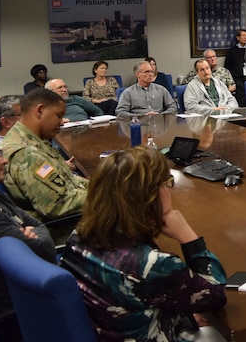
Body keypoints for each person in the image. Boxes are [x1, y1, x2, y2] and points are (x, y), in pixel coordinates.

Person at [60, 146, 228, 342]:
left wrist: (181, 311)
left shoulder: (77, 236)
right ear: (148, 196)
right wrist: (188, 237)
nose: (169, 189)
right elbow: (215, 297)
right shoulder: (154, 265)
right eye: (167, 183)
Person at [1, 89, 88, 243]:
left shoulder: (32, 140)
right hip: (64, 231)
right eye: (59, 115)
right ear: (40, 110)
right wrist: (106, 195)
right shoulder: (26, 154)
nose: (62, 122)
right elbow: (57, 206)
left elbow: (68, 180)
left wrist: (100, 185)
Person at [0, 143, 55, 342]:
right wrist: (37, 234)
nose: (4, 160)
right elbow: (43, 250)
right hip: (19, 309)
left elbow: (36, 225)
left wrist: (37, 232)